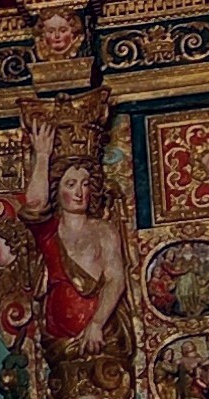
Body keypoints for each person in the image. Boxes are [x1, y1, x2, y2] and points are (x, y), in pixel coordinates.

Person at [19, 122, 134, 352]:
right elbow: (34, 204)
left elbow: (115, 278)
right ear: (57, 190)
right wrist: (42, 156)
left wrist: (97, 323)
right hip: (58, 341)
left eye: (84, 184)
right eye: (70, 185)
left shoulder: (104, 230)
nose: (80, 193)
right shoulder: (50, 231)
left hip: (102, 335)